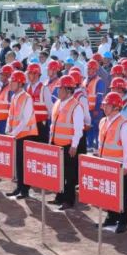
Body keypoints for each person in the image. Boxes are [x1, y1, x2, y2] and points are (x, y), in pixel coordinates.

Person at [97, 92, 127, 234]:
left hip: (117, 165)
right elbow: (101, 143)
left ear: (116, 107)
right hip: (106, 164)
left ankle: (123, 222)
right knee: (109, 192)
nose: (104, 107)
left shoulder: (123, 125)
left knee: (121, 195)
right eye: (105, 105)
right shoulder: (103, 121)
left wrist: (126, 166)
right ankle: (111, 217)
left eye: (107, 105)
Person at [50, 75, 85, 210]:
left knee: (69, 175)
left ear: (69, 90)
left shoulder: (76, 106)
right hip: (57, 143)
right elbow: (53, 124)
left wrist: (74, 145)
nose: (58, 91)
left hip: (68, 145)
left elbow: (78, 129)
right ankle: (59, 197)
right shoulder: (58, 103)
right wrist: (51, 141)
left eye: (61, 89)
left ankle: (69, 200)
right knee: (59, 173)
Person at [5, 70, 38, 199]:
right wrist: (8, 129)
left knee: (24, 163)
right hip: (17, 134)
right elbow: (10, 115)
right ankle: (19, 187)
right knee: (18, 162)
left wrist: (13, 133)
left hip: (26, 134)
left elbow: (25, 119)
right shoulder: (14, 97)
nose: (10, 84)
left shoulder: (27, 98)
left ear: (20, 83)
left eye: (13, 82)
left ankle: (25, 190)